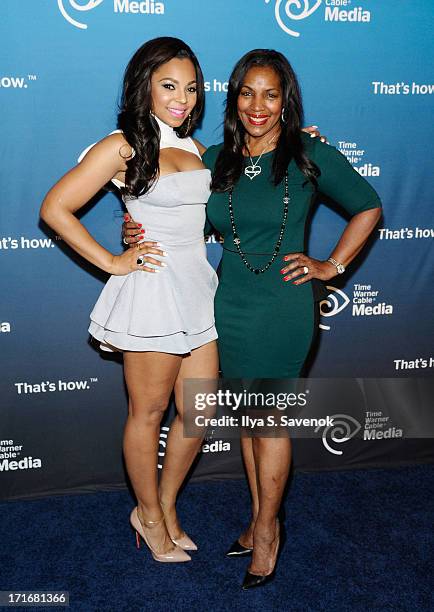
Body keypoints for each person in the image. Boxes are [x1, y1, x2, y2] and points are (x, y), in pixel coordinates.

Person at [123, 49, 382, 588]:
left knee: (269, 422)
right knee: (247, 419)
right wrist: (132, 231)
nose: (257, 105)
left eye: (270, 94)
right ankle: (255, 518)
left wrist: (330, 265)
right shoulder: (214, 156)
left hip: (282, 308)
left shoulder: (309, 153)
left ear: (286, 99)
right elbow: (165, 202)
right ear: (233, 97)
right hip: (228, 304)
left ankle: (268, 530)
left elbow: (368, 205)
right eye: (247, 93)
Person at [40, 37, 220, 563]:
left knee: (198, 414)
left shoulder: (197, 148)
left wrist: (293, 140)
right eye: (168, 86)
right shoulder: (123, 145)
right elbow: (55, 207)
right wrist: (115, 261)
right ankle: (148, 512)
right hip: (152, 291)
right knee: (149, 413)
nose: (181, 98)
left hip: (197, 289)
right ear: (144, 86)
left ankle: (160, 507)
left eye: (190, 88)